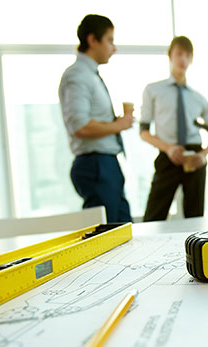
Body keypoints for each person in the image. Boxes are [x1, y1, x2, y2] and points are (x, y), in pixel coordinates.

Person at [58, 14, 134, 223]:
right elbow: (80, 126)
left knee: (123, 229)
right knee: (107, 233)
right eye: (109, 40)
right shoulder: (78, 75)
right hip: (96, 165)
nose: (113, 48)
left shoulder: (89, 75)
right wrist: (118, 125)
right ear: (92, 40)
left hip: (106, 164)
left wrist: (115, 124)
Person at [139, 36, 208, 221]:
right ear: (170, 56)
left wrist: (203, 155)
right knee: (153, 217)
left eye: (187, 55)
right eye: (179, 54)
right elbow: (143, 132)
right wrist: (169, 149)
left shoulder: (198, 98)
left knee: (195, 219)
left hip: (194, 158)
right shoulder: (153, 90)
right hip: (168, 155)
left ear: (191, 59)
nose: (183, 59)